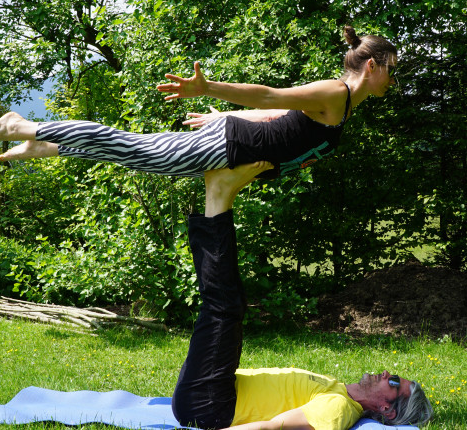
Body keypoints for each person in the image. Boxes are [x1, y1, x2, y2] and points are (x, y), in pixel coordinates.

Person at [173, 161, 433, 430]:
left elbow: (271, 427)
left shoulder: (339, 407)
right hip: (217, 386)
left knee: (225, 307)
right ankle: (219, 195)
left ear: (387, 410)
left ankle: (218, 193)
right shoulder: (337, 389)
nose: (388, 374)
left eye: (394, 382)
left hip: (209, 403)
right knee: (231, 301)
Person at [0, 26, 398, 179]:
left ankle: (48, 145)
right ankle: (21, 126)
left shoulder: (342, 108)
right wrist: (211, 90)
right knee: (132, 148)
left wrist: (225, 113)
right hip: (227, 147)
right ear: (373, 66)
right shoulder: (333, 94)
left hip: (233, 143)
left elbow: (276, 117)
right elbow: (271, 95)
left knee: (132, 152)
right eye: (391, 70)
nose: (392, 81)